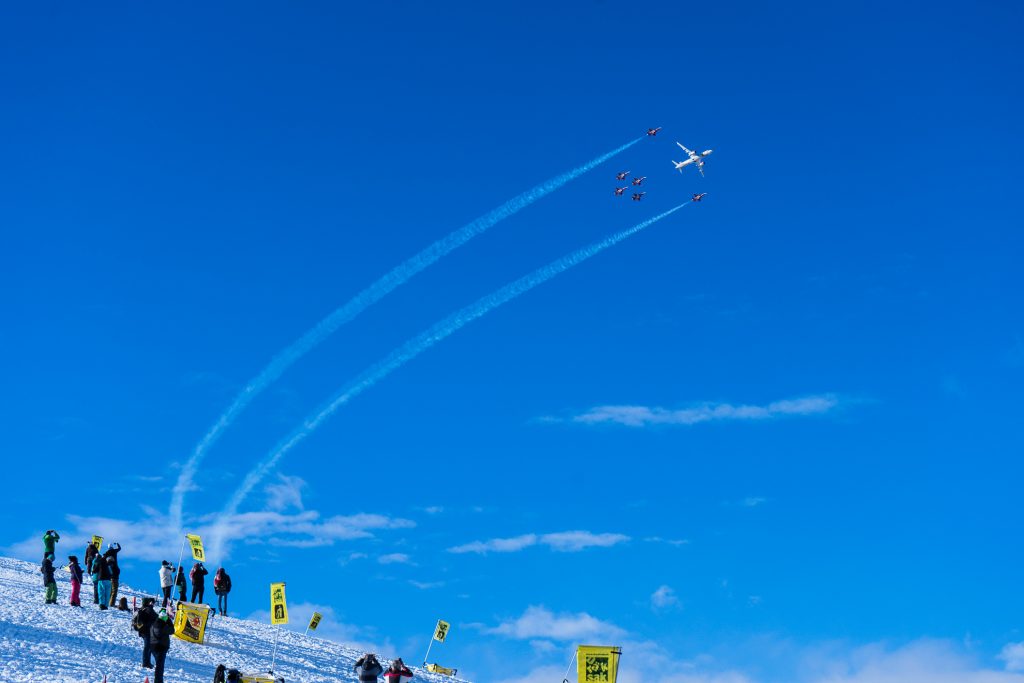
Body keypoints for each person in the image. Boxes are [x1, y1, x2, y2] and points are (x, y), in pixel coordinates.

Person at [150, 608, 174, 683]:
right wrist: (169, 621)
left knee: (158, 665)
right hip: (161, 648)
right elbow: (172, 630)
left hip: (153, 647)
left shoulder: (154, 624)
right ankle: (158, 681)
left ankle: (158, 680)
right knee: (160, 667)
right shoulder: (163, 626)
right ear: (164, 619)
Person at [133, 597, 157, 669]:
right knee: (147, 647)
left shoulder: (142, 609)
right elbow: (157, 617)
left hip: (143, 631)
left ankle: (147, 662)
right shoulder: (149, 609)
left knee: (148, 647)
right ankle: (145, 663)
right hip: (147, 631)